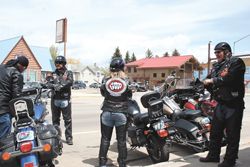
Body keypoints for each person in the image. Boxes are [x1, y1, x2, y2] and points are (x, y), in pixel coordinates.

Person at [200, 42, 245, 167]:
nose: (216, 54)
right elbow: (207, 80)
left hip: (234, 104)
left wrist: (212, 80)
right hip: (220, 104)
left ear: (227, 52)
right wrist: (199, 84)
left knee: (232, 134)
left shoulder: (236, 63)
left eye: (218, 52)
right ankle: (213, 156)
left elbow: (230, 78)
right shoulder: (216, 66)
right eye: (215, 52)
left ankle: (230, 161)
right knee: (215, 132)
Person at [98, 58, 132, 167]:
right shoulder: (126, 80)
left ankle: (102, 163)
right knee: (121, 140)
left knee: (105, 138)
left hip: (107, 111)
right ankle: (122, 163)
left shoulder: (106, 79)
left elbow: (103, 94)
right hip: (121, 112)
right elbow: (129, 96)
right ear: (122, 67)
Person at [0, 55, 29, 139]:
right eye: (25, 68)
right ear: (22, 66)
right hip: (3, 110)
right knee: (3, 141)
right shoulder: (16, 74)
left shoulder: (1, 67)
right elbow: (17, 96)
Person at [50, 55, 74, 145]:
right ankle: (56, 137)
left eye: (59, 63)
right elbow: (48, 82)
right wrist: (51, 85)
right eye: (56, 63)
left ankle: (69, 138)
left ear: (64, 63)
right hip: (55, 99)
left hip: (65, 99)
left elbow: (70, 82)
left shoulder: (69, 73)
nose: (58, 64)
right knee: (55, 120)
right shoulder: (53, 73)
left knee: (67, 120)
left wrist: (60, 86)